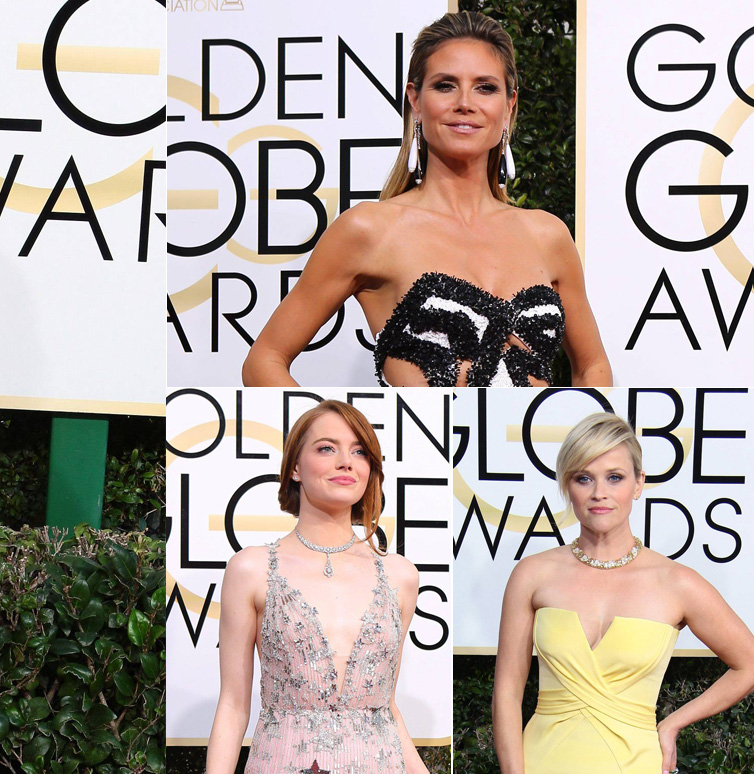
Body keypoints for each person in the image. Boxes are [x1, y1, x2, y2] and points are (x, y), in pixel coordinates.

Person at [242, 12, 611, 388]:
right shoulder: (369, 230)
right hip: (419, 431)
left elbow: (592, 367)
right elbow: (264, 361)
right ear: (415, 100)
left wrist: (582, 428)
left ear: (509, 106)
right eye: (445, 86)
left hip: (536, 430)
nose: (465, 103)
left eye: (485, 88)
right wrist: (344, 427)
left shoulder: (547, 235)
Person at [492, 413, 754, 774]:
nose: (599, 493)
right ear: (567, 485)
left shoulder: (676, 582)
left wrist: (672, 723)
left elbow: (748, 664)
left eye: (614, 477)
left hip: (636, 763)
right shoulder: (533, 574)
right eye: (583, 478)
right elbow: (507, 692)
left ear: (638, 483)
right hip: (541, 761)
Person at [205, 400, 428, 774]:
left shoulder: (400, 576)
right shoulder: (251, 569)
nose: (346, 462)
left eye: (360, 452)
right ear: (295, 467)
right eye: (327, 448)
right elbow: (233, 705)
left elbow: (386, 707)